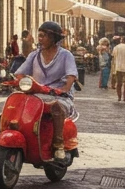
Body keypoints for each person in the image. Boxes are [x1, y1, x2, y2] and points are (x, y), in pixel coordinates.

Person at [14, 22, 78, 162]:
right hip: (36, 95)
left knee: (56, 107)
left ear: (53, 37)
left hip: (60, 96)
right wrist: (21, 82)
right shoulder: (34, 55)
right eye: (39, 36)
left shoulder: (66, 55)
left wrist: (65, 89)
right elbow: (20, 73)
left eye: (43, 36)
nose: (40, 39)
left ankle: (58, 144)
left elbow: (71, 76)